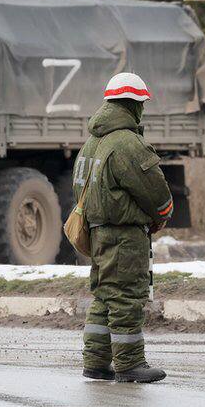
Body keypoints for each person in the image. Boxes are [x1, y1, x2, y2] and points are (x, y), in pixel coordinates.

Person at [72, 72, 174, 383]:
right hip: (125, 236)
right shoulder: (127, 143)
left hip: (99, 233)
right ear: (133, 105)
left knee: (104, 295)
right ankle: (130, 364)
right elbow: (157, 194)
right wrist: (160, 215)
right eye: (141, 104)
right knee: (127, 296)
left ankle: (96, 362)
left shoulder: (92, 143)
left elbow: (79, 188)